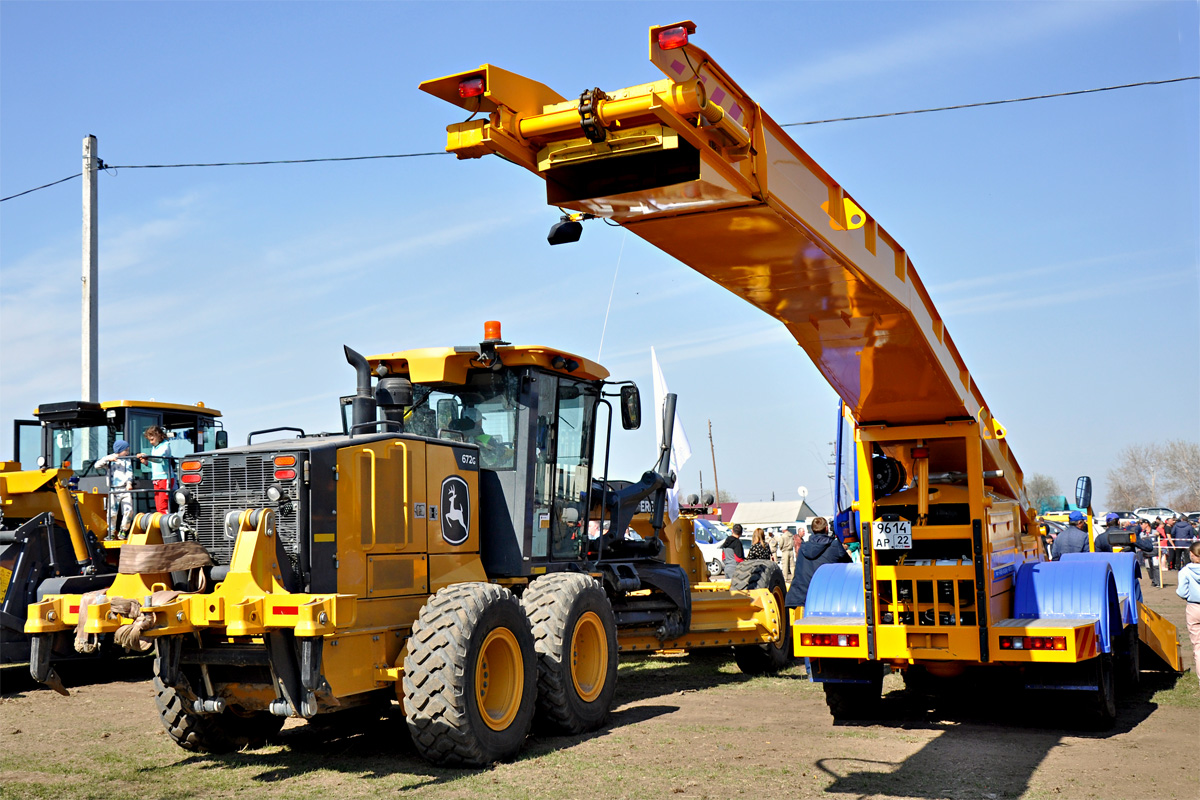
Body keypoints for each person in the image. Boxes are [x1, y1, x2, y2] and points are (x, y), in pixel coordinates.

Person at [785, 516, 850, 614]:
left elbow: (799, 573)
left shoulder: (803, 547)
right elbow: (849, 567)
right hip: (828, 597)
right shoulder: (834, 545)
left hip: (805, 597)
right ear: (827, 529)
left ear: (812, 530)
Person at [95, 439, 135, 540]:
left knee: (128, 510)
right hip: (113, 490)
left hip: (125, 489)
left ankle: (124, 530)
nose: (127, 452)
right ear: (120, 450)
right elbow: (97, 465)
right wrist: (108, 459)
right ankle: (111, 532)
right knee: (112, 512)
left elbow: (129, 472)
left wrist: (129, 483)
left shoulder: (127, 460)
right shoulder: (110, 459)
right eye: (126, 450)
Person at [1175, 541, 1200, 687]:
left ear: (1191, 554)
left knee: (1198, 646)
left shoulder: (1185, 571)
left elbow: (1182, 592)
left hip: (1194, 608)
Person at [138, 425, 174, 514]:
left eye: (152, 439)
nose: (150, 442)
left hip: (165, 478)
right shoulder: (154, 448)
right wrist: (146, 462)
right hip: (156, 479)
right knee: (158, 505)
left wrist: (147, 457)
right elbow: (154, 464)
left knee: (163, 505)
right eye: (149, 440)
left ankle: (165, 524)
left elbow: (159, 459)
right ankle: (160, 524)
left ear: (158, 435)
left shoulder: (165, 446)